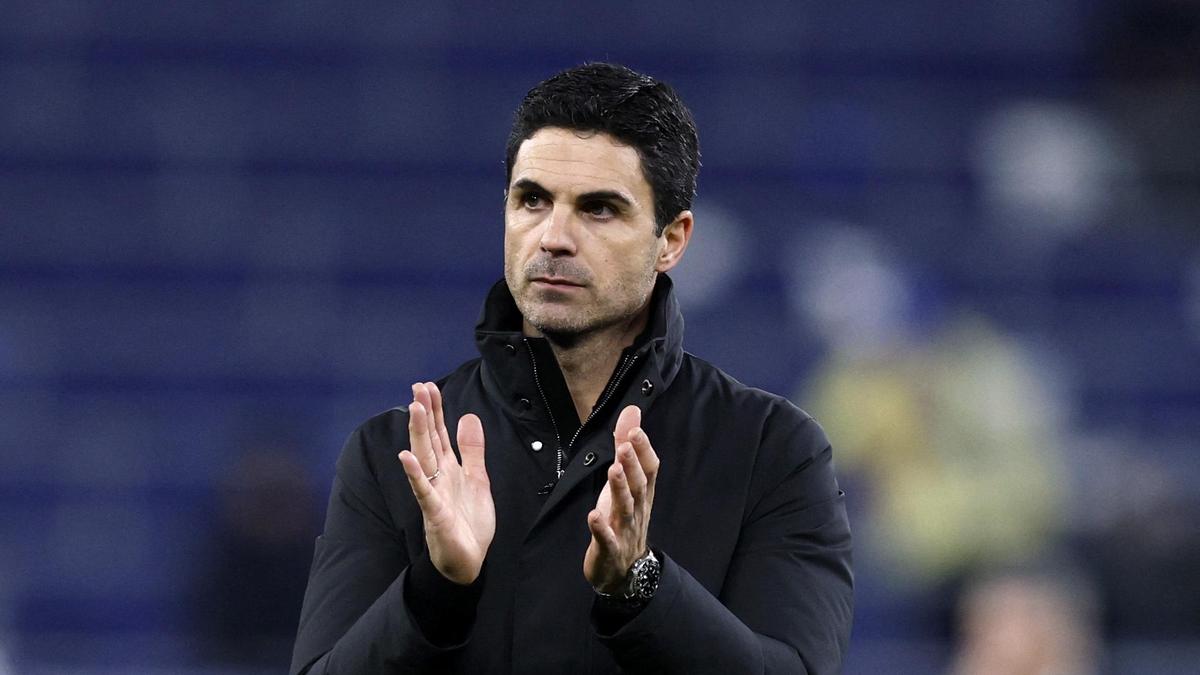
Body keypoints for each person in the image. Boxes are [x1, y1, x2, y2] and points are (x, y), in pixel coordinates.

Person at [290, 62, 853, 674]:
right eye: (532, 200)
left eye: (599, 209)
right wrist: (436, 589)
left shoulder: (770, 451)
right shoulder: (396, 455)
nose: (553, 237)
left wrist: (640, 586)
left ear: (671, 241)